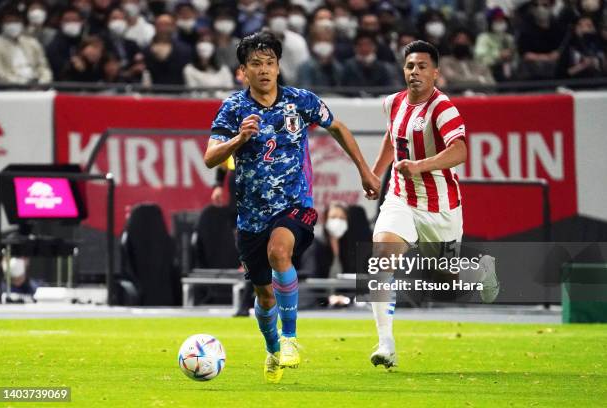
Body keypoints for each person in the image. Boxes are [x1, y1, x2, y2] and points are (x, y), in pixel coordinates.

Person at [204, 31, 380, 383]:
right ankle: (272, 349)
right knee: (264, 295)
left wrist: (365, 170)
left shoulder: (301, 101)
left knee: (279, 251)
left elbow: (338, 128)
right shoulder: (234, 108)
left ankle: (291, 339)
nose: (265, 70)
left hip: (295, 204)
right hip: (251, 215)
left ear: (279, 66)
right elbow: (210, 157)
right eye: (256, 64)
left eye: (270, 63)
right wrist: (239, 139)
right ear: (243, 71)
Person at [368, 40, 499, 369]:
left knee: (446, 274)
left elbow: (460, 151)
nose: (415, 72)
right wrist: (375, 173)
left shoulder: (443, 109)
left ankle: (482, 270)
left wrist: (419, 166)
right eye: (410, 66)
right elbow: (391, 138)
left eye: (422, 66)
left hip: (439, 205)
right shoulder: (393, 102)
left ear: (436, 73)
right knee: (381, 256)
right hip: (400, 197)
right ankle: (386, 344)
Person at [0, 6, 52, 85]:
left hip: (37, 86)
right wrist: (23, 84)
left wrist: (43, 82)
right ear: (2, 24)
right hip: (10, 88)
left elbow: (43, 67)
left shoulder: (32, 43)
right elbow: (0, 74)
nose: (13, 25)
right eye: (9, 22)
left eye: (16, 21)